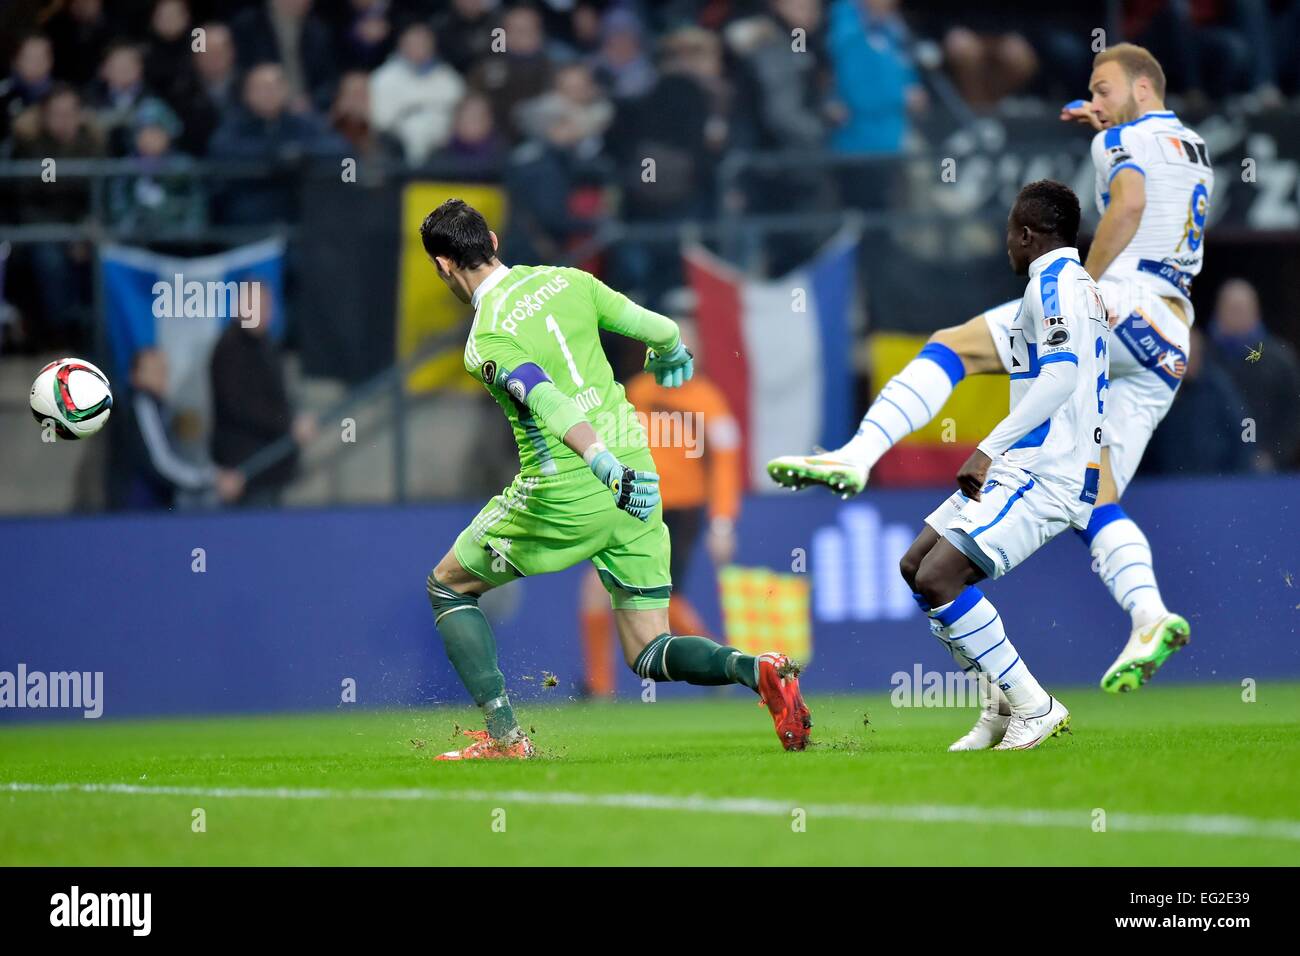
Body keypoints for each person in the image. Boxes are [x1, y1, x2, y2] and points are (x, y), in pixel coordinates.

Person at [770, 43, 1207, 694]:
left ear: (1144, 88)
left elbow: (1131, 204)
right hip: (1167, 340)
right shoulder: (1190, 145)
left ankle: (857, 455)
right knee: (1097, 493)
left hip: (1120, 304)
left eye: (1104, 88)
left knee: (958, 344)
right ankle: (1149, 615)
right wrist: (1113, 121)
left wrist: (1079, 290)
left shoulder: (1118, 145)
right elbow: (1156, 187)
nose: (1094, 101)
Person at [420, 198, 811, 760]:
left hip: (571, 487)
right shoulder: (568, 280)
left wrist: (599, 459)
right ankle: (758, 668)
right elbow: (659, 327)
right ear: (494, 244)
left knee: (448, 586)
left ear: (443, 265)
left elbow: (545, 397)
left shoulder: (486, 338)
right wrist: (672, 352)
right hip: (641, 483)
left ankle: (506, 739)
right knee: (650, 648)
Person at [901, 180, 1108, 751]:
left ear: (1025, 234)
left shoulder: (1054, 284)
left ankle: (1034, 706)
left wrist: (988, 447)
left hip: (1045, 468)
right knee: (916, 563)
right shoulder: (1076, 286)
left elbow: (1061, 376)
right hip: (1034, 460)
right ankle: (1000, 705)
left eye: (1008, 235)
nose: (1005, 247)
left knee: (940, 577)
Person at [579, 317, 744, 697]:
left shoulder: (709, 401)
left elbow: (725, 465)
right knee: (596, 588)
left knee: (663, 597)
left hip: (681, 512)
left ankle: (723, 665)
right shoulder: (634, 392)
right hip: (634, 505)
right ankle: (598, 686)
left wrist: (722, 523)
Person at [1207, 279, 1300, 472]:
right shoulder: (1202, 358)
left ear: (1256, 312)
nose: (1236, 315)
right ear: (1218, 311)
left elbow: (1294, 413)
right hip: (1210, 470)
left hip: (1267, 468)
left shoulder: (1279, 359)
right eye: (1231, 309)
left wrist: (1275, 454)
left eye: (1241, 309)